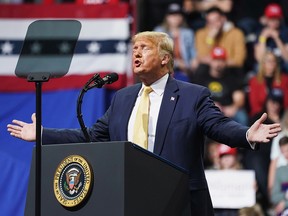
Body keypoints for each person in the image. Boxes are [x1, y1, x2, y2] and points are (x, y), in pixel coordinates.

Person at [7, 31, 281, 216]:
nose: (135, 54)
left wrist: (246, 134)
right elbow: (92, 136)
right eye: (134, 49)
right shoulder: (123, 98)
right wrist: (44, 134)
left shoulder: (192, 95)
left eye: (144, 48)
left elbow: (219, 126)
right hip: (131, 199)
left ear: (165, 58)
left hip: (180, 203)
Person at [194, 46, 248, 125]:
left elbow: (239, 97)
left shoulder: (231, 77)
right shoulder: (202, 75)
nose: (218, 64)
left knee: (241, 116)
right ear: (210, 61)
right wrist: (211, 104)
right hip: (207, 108)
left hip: (227, 110)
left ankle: (245, 136)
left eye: (221, 60)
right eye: (215, 60)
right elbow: (196, 96)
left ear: (226, 62)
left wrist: (233, 108)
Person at [154, 3, 197, 82]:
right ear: (167, 17)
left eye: (178, 14)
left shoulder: (188, 33)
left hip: (184, 71)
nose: (175, 18)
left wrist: (191, 64)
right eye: (172, 15)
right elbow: (158, 54)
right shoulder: (159, 32)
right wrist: (176, 63)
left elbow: (193, 54)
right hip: (165, 69)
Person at [248, 51, 288, 117]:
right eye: (269, 61)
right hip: (261, 115)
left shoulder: (284, 79)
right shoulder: (254, 81)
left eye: (274, 61)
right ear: (263, 64)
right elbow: (254, 106)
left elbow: (286, 103)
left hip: (281, 114)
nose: (272, 63)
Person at [254, 3, 288, 73]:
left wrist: (277, 39)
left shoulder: (285, 32)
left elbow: (287, 58)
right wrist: (263, 38)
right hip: (266, 65)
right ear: (266, 19)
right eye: (272, 19)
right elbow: (259, 58)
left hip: (281, 64)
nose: (274, 22)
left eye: (277, 19)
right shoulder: (260, 33)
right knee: (258, 67)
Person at [271, 136, 288, 215]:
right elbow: (274, 196)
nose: (286, 154)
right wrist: (285, 195)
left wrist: (285, 203)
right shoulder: (280, 171)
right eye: (283, 151)